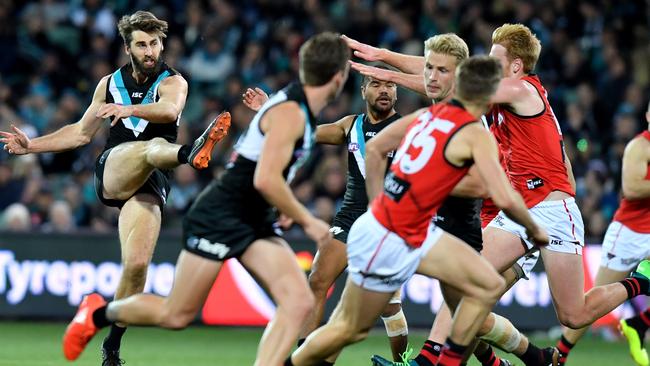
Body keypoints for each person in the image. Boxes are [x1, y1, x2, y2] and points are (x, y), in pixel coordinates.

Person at [58, 32, 350, 366]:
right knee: (176, 315)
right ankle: (98, 314)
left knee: (298, 302)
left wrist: (279, 207)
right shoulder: (292, 113)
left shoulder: (294, 108)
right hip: (220, 214)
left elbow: (268, 168)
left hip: (252, 217)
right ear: (339, 77)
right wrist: (307, 219)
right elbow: (265, 178)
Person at [0, 10, 230, 366]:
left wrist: (128, 108)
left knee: (137, 266)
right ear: (127, 48)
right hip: (115, 168)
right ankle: (190, 152)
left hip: (152, 180)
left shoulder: (174, 81)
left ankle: (111, 347)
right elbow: (80, 133)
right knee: (148, 150)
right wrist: (32, 146)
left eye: (155, 43)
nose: (150, 50)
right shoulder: (109, 83)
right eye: (142, 44)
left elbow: (169, 112)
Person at [286, 55, 548, 366]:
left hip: (413, 230)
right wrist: (534, 230)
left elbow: (374, 149)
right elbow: (503, 197)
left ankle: (450, 360)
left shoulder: (427, 115)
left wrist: (379, 203)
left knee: (483, 286)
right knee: (349, 329)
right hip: (393, 233)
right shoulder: (473, 132)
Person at [243, 66, 410, 363]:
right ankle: (307, 356)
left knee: (388, 306)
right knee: (317, 281)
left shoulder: (409, 127)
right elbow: (305, 132)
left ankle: (401, 362)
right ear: (363, 91)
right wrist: (270, 110)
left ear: (397, 91)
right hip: (351, 217)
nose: (384, 90)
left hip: (390, 222)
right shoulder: (351, 125)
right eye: (376, 84)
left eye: (390, 85)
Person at [557, 101, 650, 366]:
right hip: (629, 233)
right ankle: (559, 354)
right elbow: (632, 188)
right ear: (647, 116)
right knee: (592, 305)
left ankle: (639, 324)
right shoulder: (639, 146)